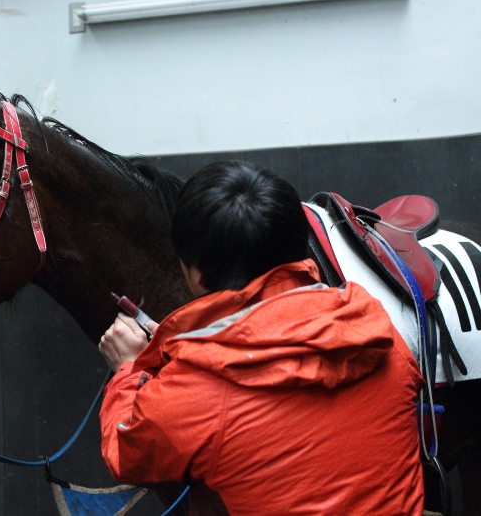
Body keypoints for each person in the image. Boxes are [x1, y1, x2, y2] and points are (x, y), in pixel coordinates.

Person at [98, 160, 424, 514]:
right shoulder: (380, 331)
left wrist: (127, 371)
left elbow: (126, 451)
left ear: (197, 274)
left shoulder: (192, 390)